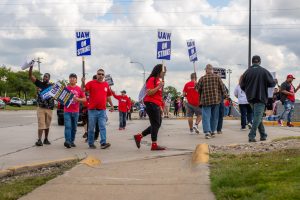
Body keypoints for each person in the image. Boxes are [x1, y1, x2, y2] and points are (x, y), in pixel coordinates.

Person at [240, 55, 276, 142]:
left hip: (250, 98)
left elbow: (241, 85)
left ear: (252, 62)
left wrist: (248, 91)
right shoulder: (264, 71)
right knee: (257, 117)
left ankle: (263, 135)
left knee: (258, 117)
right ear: (259, 62)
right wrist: (275, 81)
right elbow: (272, 84)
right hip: (260, 97)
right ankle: (251, 135)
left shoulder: (247, 72)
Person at [134, 64, 166, 151]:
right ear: (159, 71)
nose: (164, 74)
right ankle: (154, 144)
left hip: (156, 104)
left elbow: (158, 95)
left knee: (157, 124)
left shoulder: (159, 81)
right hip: (151, 103)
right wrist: (159, 86)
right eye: (164, 72)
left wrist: (160, 106)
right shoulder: (152, 79)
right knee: (156, 124)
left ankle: (139, 136)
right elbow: (149, 92)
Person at [83, 68, 114, 149]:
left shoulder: (106, 85)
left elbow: (108, 96)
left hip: (102, 111)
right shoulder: (91, 83)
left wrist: (111, 105)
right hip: (92, 110)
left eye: (102, 74)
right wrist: (83, 82)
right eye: (99, 74)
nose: (100, 75)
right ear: (96, 75)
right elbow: (83, 89)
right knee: (91, 128)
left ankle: (103, 143)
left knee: (102, 126)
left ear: (104, 76)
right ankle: (91, 143)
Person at [196, 64, 227, 139]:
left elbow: (197, 89)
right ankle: (212, 131)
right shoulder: (217, 77)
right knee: (214, 117)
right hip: (216, 100)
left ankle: (207, 132)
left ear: (206, 70)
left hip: (205, 101)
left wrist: (198, 88)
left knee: (206, 116)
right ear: (212, 70)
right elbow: (223, 88)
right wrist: (226, 96)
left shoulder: (202, 79)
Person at [29, 66, 54, 146]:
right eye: (44, 76)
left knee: (47, 124)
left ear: (49, 78)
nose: (44, 77)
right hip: (41, 108)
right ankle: (39, 140)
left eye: (46, 77)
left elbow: (59, 95)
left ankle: (46, 139)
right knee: (41, 124)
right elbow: (30, 76)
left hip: (49, 108)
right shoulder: (39, 83)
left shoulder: (52, 86)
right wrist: (31, 68)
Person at [63, 73, 86, 148]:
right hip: (67, 111)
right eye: (71, 78)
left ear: (76, 80)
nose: (72, 79)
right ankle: (67, 141)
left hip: (76, 111)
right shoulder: (66, 88)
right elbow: (61, 99)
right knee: (68, 126)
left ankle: (72, 141)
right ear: (69, 79)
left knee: (74, 128)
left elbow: (84, 99)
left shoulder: (79, 89)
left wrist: (77, 99)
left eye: (74, 78)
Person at [82, 75, 100, 142]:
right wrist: (83, 82)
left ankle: (96, 136)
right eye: (94, 79)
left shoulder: (99, 87)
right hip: (90, 109)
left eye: (96, 79)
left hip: (98, 109)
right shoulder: (90, 86)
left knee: (97, 125)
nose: (95, 80)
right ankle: (89, 137)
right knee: (90, 124)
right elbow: (83, 89)